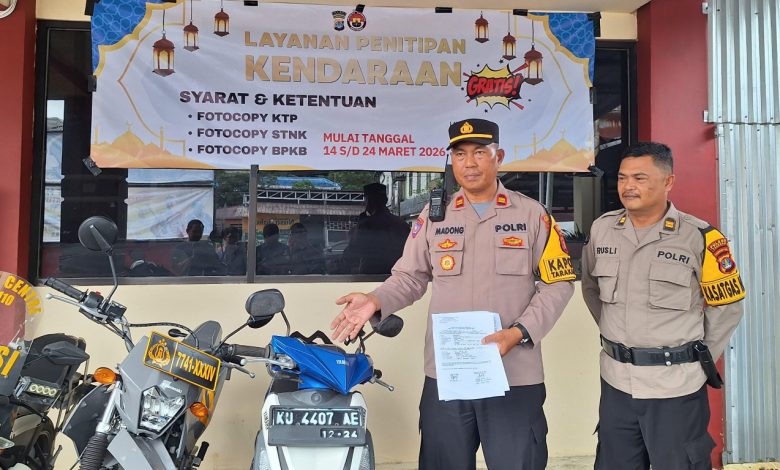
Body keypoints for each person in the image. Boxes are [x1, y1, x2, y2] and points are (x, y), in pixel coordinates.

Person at [330, 118, 575, 470]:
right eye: (460, 154)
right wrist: (376, 299)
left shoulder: (532, 215)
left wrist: (520, 332)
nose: (469, 163)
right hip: (449, 372)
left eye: (479, 153)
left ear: (498, 157)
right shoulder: (435, 216)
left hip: (514, 373)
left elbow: (558, 282)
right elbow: (409, 277)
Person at [581, 142, 746, 469]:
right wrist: (621, 337)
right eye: (622, 178)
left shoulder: (699, 236)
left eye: (640, 178)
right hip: (616, 382)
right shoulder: (603, 229)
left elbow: (727, 307)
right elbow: (591, 289)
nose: (628, 186)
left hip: (675, 386)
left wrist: (694, 357)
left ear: (668, 181)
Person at [341, 182, 410, 274]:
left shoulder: (366, 224)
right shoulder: (402, 224)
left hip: (371, 276)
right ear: (385, 200)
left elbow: (352, 253)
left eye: (365, 199)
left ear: (369, 201)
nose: (364, 203)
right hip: (397, 275)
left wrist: (355, 232)